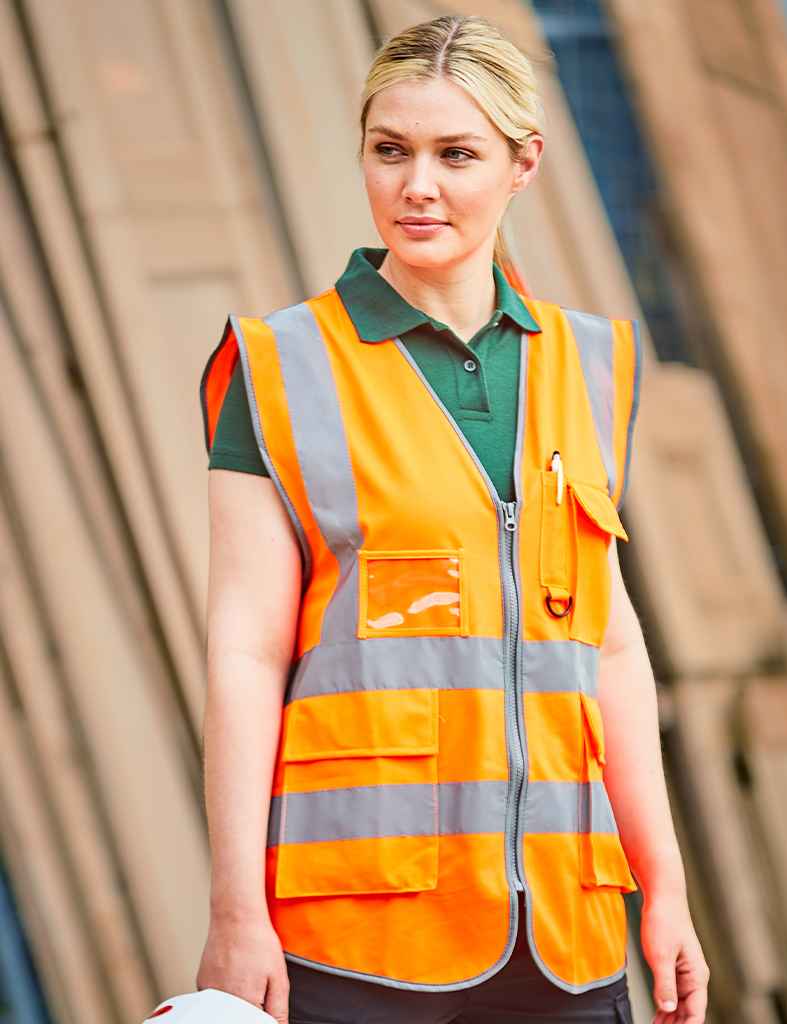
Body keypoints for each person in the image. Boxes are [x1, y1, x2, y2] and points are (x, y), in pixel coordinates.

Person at [196, 14, 709, 1024]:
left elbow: (606, 646)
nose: (416, 186)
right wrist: (234, 910)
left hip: (567, 932)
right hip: (358, 936)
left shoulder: (593, 363)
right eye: (390, 152)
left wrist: (668, 891)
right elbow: (244, 652)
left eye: (455, 154)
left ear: (525, 163)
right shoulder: (276, 367)